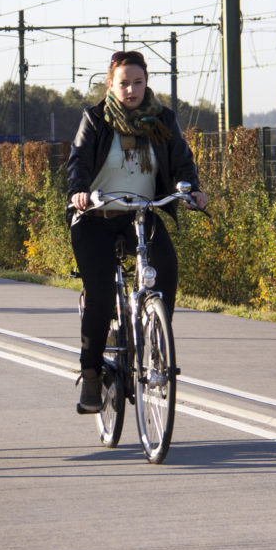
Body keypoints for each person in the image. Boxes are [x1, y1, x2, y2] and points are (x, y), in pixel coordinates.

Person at [66, 50, 208, 414]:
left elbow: (181, 159)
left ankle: (157, 343)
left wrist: (190, 187)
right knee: (98, 295)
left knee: (167, 267)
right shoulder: (95, 119)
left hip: (141, 214)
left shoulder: (162, 120)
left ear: (147, 83)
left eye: (138, 83)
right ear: (110, 85)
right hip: (96, 215)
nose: (131, 90)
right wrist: (79, 192)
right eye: (124, 83)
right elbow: (78, 160)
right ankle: (92, 375)